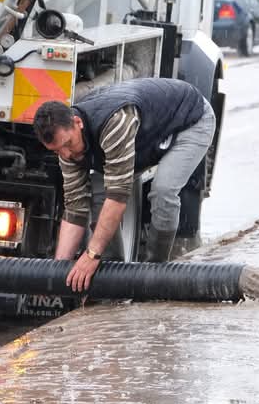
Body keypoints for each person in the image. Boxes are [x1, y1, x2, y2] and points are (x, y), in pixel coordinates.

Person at [32, 77, 216, 292]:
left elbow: (118, 197)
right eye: (57, 151)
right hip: (144, 139)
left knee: (163, 191)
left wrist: (91, 255)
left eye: (67, 145)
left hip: (189, 121)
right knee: (98, 199)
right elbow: (75, 208)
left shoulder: (114, 121)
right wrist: (57, 272)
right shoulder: (67, 149)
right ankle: (113, 280)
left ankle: (154, 274)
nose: (66, 154)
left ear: (77, 123)